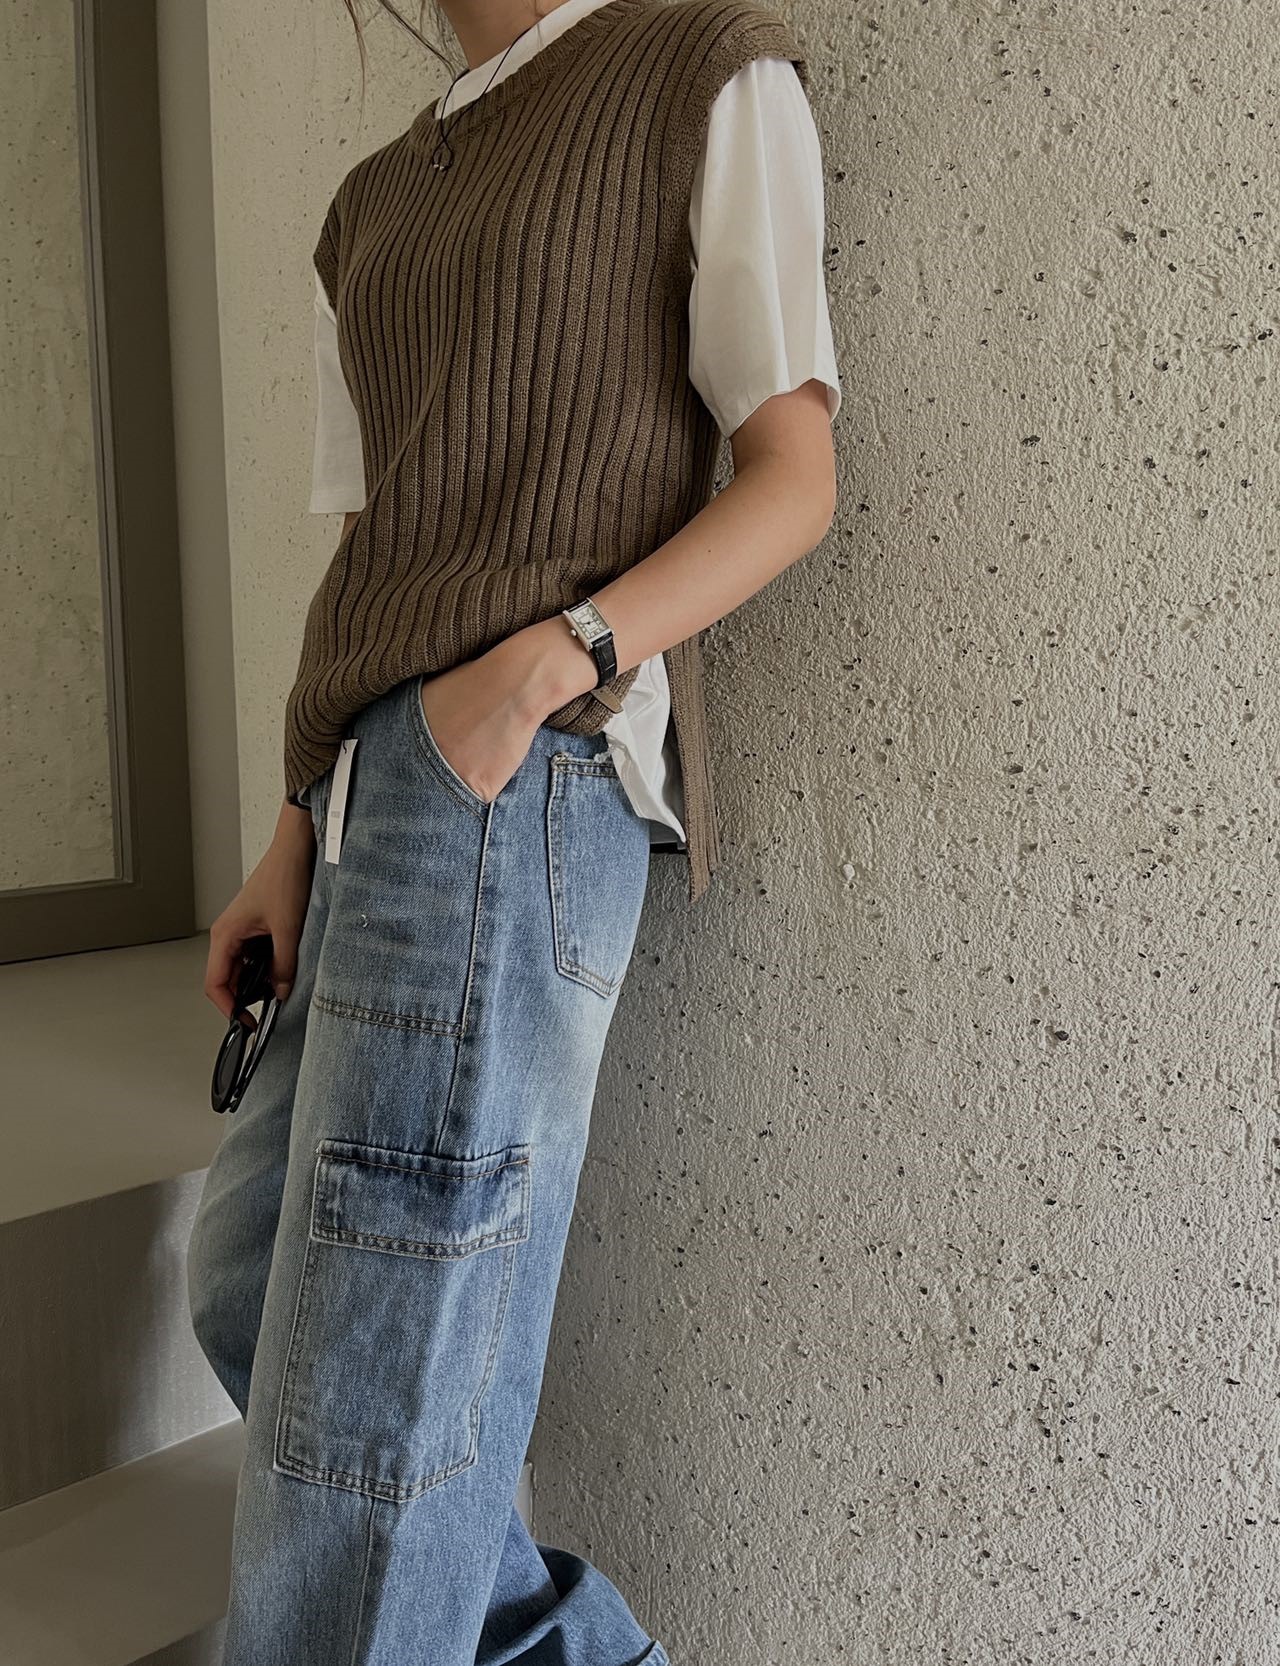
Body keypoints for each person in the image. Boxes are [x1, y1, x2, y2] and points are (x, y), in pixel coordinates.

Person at [186, 0, 840, 1660]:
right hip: (366, 796)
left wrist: (562, 659)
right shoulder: (372, 204)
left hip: (510, 782)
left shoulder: (698, 67)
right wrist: (291, 825)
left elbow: (794, 472)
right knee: (256, 1285)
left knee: (365, 1415)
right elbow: (373, 552)